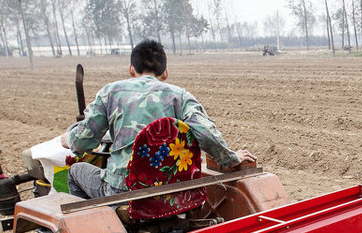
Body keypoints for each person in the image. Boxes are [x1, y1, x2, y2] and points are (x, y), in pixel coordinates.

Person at [65, 39, 255, 200]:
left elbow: (83, 142)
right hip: (175, 190)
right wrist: (231, 158)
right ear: (165, 73)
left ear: (131, 70)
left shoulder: (110, 92)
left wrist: (67, 139)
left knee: (76, 171)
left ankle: (101, 232)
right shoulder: (179, 96)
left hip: (122, 191)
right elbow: (205, 132)